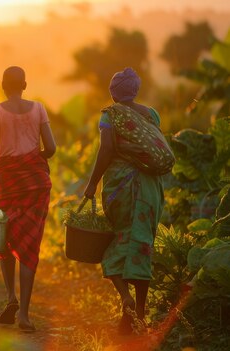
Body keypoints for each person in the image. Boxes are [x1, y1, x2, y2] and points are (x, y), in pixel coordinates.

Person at [0, 66, 56, 332]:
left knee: (4, 239)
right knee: (29, 246)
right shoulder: (38, 108)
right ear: (24, 84)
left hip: (8, 184)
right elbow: (50, 148)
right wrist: (32, 159)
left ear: (3, 86)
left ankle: (10, 298)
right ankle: (25, 315)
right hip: (36, 185)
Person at [83, 67, 165, 335]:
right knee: (142, 246)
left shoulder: (109, 115)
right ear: (136, 90)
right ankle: (139, 313)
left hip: (122, 188)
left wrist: (92, 183)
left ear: (113, 92)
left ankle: (125, 299)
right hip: (151, 189)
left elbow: (106, 149)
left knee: (115, 243)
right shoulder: (152, 114)